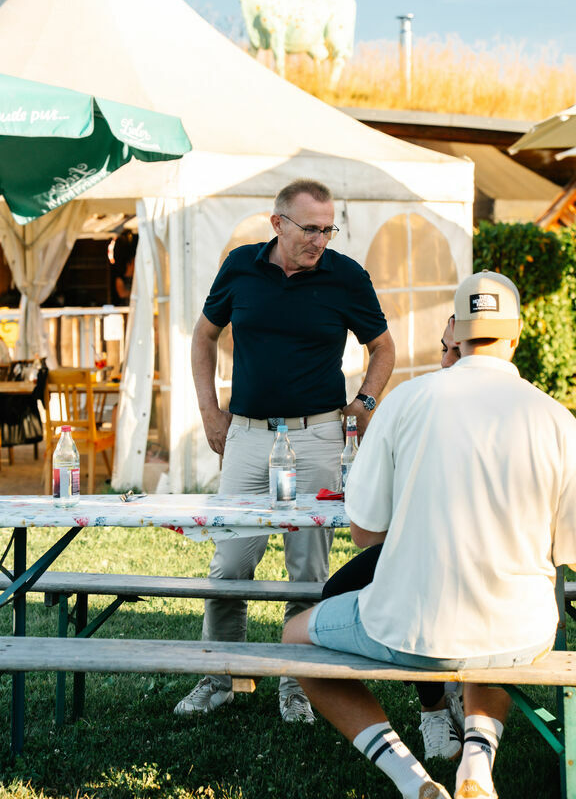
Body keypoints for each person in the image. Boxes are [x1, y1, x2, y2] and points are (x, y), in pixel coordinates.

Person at [284, 270, 576, 799]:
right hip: (521, 630)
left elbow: (365, 533)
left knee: (295, 638)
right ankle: (477, 762)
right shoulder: (557, 420)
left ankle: (411, 778)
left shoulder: (405, 401)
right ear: (516, 334)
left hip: (409, 627)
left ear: (455, 334)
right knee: (494, 635)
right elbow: (570, 550)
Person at [175, 178, 395, 723]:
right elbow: (203, 337)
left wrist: (364, 405)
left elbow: (383, 348)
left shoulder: (346, 276)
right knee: (230, 564)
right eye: (309, 229)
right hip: (247, 436)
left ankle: (297, 683)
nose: (319, 240)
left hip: (317, 436)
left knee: (307, 570)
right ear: (278, 223)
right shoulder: (240, 266)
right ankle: (221, 676)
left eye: (327, 229)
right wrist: (210, 411)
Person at [321, 315, 464, 762]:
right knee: (339, 591)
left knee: (414, 591)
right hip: (426, 549)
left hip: (470, 556)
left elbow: (366, 530)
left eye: (456, 351)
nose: (445, 362)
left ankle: (438, 708)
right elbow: (368, 529)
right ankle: (439, 702)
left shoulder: (487, 412)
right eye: (443, 349)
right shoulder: (423, 405)